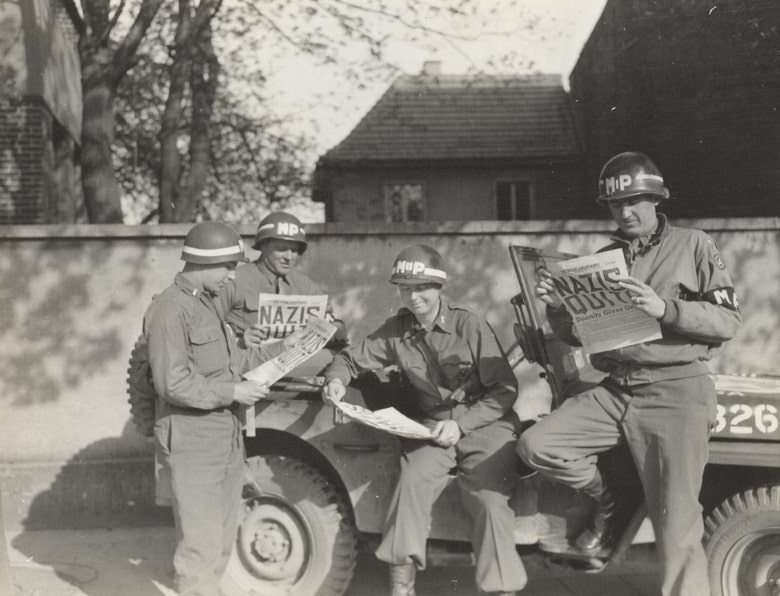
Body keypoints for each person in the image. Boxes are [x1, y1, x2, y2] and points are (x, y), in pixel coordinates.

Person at [517, 152, 742, 596]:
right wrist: (558, 307)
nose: (626, 212)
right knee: (537, 444)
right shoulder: (605, 257)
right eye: (617, 204)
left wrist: (665, 309)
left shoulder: (693, 244)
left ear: (657, 200)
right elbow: (581, 336)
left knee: (676, 531)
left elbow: (728, 321)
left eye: (637, 201)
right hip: (617, 389)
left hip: (675, 392)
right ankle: (612, 497)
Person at [321, 245, 527, 596]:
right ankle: (402, 588)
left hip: (486, 426)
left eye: (421, 288)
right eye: (406, 289)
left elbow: (504, 389)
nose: (413, 297)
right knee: (411, 483)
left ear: (438, 287)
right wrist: (335, 380)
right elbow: (350, 359)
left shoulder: (468, 324)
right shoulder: (397, 330)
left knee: (489, 500)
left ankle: (500, 590)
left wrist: (462, 425)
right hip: (432, 428)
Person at [144, 222, 296, 596]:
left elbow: (234, 362)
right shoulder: (170, 308)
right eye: (229, 267)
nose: (232, 277)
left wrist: (287, 346)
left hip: (223, 435)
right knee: (201, 542)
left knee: (224, 534)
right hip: (192, 435)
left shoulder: (207, 304)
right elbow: (172, 382)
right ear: (205, 262)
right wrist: (233, 393)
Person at [215, 211, 346, 350]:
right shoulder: (236, 279)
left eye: (294, 250)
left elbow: (339, 327)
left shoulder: (304, 284)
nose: (289, 257)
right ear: (263, 245)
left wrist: (327, 330)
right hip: (251, 362)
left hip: (298, 362)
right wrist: (238, 341)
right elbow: (204, 328)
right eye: (281, 249)